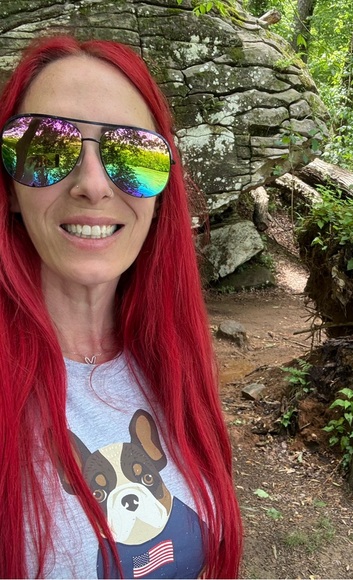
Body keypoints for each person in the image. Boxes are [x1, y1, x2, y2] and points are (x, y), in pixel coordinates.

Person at [0, 35, 242, 579]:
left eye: (132, 153)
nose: (92, 184)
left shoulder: (174, 363)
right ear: (10, 187)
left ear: (162, 192)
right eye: (46, 147)